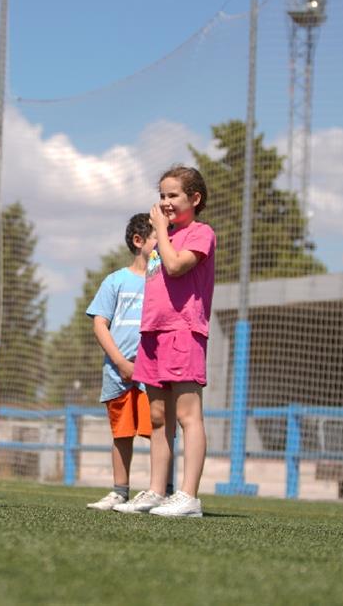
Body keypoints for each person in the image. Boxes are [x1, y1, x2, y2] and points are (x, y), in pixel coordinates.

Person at [114, 166, 214, 518]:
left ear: (194, 199)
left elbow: (174, 267)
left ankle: (188, 496)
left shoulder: (200, 234)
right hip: (153, 334)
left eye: (173, 195)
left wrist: (159, 231)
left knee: (188, 416)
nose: (166, 202)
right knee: (158, 418)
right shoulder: (161, 238)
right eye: (162, 196)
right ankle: (156, 491)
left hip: (183, 331)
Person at [85, 213, 155, 511]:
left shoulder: (164, 282)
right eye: (157, 239)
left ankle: (160, 490)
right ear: (139, 241)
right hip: (119, 375)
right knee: (122, 434)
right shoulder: (115, 281)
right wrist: (122, 363)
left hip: (154, 373)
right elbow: (100, 324)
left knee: (159, 431)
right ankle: (119, 491)